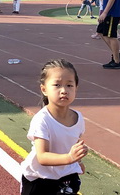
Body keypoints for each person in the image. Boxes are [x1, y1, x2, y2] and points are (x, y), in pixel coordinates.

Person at [20, 59, 87, 195]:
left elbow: (71, 144)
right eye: (57, 85)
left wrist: (77, 160)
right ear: (44, 89)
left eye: (69, 85)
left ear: (76, 88)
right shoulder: (42, 119)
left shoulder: (78, 118)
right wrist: (70, 158)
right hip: (40, 179)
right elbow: (42, 157)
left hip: (66, 176)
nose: (64, 91)